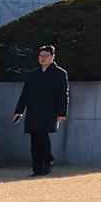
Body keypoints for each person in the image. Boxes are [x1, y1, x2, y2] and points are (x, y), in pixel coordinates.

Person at [12, 44, 70, 176]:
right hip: (33, 111)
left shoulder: (59, 73)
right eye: (41, 55)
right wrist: (18, 111)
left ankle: (48, 161)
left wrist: (62, 112)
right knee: (34, 139)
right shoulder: (32, 74)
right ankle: (37, 169)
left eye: (46, 56)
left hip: (49, 111)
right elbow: (25, 94)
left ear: (53, 57)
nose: (43, 58)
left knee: (42, 136)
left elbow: (63, 94)